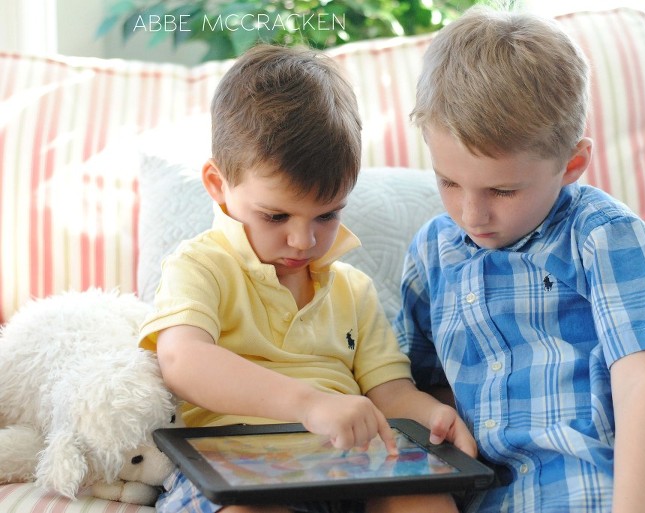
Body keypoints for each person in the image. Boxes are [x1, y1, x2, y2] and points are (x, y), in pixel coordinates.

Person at [395, 6, 645, 513]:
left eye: (502, 189)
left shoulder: (601, 233)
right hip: (515, 488)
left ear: (573, 164)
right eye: (448, 182)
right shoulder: (433, 252)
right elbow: (414, 381)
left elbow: (642, 384)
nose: (471, 214)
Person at [138, 44, 475, 513]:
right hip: (237, 468)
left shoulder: (353, 290)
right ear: (218, 185)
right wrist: (309, 404)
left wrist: (434, 416)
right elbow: (181, 359)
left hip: (350, 467)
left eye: (327, 215)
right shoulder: (201, 265)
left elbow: (391, 392)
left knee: (424, 495)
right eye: (276, 216)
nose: (303, 240)